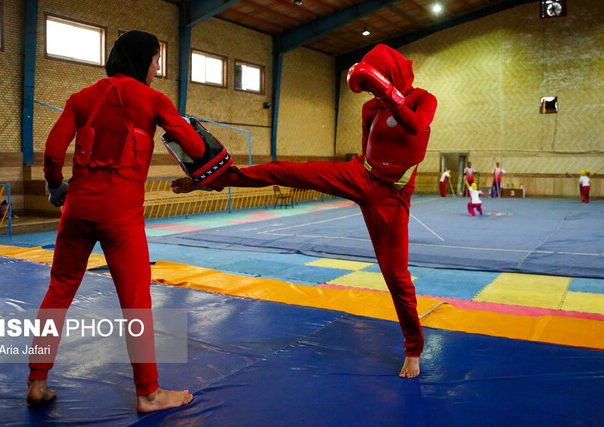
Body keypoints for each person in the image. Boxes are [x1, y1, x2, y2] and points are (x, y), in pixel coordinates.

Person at [173, 44, 437, 379]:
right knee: (284, 170)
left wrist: (382, 87)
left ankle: (413, 349)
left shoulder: (423, 99)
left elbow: (415, 127)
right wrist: (377, 93)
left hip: (392, 196)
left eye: (377, 80)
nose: (371, 90)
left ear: (390, 74)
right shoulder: (371, 108)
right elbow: (371, 144)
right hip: (361, 173)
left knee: (395, 276)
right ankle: (214, 179)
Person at [27, 31, 205, 412]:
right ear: (142, 59)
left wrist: (56, 186)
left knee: (58, 291)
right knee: (136, 302)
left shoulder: (80, 98)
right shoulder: (153, 100)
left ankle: (37, 382)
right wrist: (181, 128)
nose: (158, 69)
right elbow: (193, 147)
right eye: (156, 60)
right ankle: (149, 393)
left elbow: (54, 152)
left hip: (77, 209)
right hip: (121, 216)